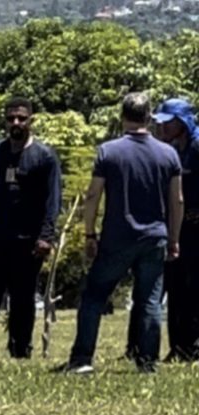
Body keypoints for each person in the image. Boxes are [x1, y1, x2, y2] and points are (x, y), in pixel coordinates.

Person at [57, 92, 183, 374]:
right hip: (155, 236)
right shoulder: (168, 154)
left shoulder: (109, 151)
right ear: (149, 118)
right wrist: (173, 238)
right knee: (149, 300)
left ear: (122, 117)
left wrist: (90, 234)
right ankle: (147, 362)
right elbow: (177, 201)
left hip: (117, 237)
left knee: (94, 296)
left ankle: (82, 359)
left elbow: (93, 196)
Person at [0, 97, 62, 359]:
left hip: (28, 241)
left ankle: (20, 349)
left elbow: (53, 201)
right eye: (10, 118)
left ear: (31, 120)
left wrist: (46, 237)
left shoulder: (45, 157)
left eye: (21, 118)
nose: (16, 123)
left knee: (22, 299)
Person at [152, 98, 199, 362]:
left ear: (181, 122)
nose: (162, 128)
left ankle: (192, 346)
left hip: (195, 228)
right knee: (175, 286)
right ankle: (178, 346)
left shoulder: (196, 146)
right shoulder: (172, 148)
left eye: (167, 123)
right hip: (177, 227)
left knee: (194, 289)